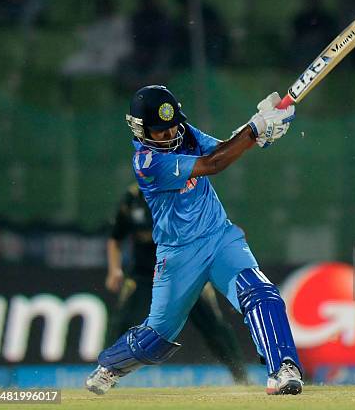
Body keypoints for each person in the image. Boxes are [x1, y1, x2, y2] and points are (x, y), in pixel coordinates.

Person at [85, 85, 303, 395]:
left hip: (219, 236)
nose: (170, 133)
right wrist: (255, 129)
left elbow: (219, 149)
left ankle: (283, 368)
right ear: (140, 129)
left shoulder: (183, 132)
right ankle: (110, 366)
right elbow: (213, 164)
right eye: (160, 130)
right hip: (178, 255)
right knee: (157, 338)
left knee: (261, 294)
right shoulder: (147, 163)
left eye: (173, 124)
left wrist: (264, 129)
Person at [105, 183, 248, 383]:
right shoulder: (133, 199)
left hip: (185, 273)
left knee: (213, 327)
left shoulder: (183, 192)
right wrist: (115, 270)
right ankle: (106, 373)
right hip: (143, 275)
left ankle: (241, 376)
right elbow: (115, 238)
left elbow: (213, 228)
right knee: (121, 323)